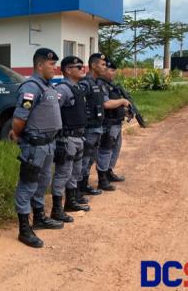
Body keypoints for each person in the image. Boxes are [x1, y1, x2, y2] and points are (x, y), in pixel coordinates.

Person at [9, 48, 64, 248]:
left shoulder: (48, 86)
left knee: (43, 182)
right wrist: (17, 133)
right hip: (34, 146)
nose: (55, 68)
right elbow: (19, 119)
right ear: (40, 65)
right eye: (51, 64)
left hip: (49, 144)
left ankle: (39, 218)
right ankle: (24, 229)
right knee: (28, 184)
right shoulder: (31, 88)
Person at [79, 53, 130, 194]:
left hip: (98, 125)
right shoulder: (87, 83)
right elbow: (103, 104)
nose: (105, 68)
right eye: (103, 65)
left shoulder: (97, 83)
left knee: (93, 156)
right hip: (92, 126)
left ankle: (87, 184)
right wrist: (122, 102)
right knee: (90, 156)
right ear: (94, 65)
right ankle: (88, 184)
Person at [51, 56, 90, 224]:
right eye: (78, 66)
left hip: (79, 136)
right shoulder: (62, 89)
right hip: (67, 138)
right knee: (63, 173)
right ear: (67, 70)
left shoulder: (78, 88)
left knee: (75, 171)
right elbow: (53, 112)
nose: (83, 69)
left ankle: (71, 202)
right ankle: (56, 209)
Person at [96, 59, 126, 183]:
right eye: (111, 70)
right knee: (106, 149)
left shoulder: (112, 85)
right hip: (108, 123)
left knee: (115, 148)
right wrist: (123, 101)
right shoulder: (100, 84)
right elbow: (106, 104)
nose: (114, 73)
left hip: (117, 122)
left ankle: (109, 171)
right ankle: (102, 177)